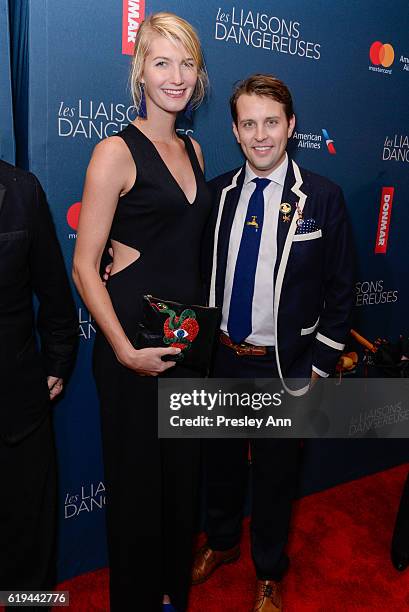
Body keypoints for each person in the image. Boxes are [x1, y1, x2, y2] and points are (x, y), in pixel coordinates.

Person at [192, 75, 355, 611]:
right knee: (218, 467)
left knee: (276, 481)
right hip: (221, 361)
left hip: (284, 368)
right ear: (236, 132)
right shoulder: (217, 195)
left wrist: (323, 368)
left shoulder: (324, 199)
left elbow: (340, 288)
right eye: (248, 124)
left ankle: (268, 570)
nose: (260, 135)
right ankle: (220, 542)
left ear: (290, 126)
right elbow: (192, 272)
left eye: (270, 122)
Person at [72, 12, 211, 612]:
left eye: (186, 63)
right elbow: (84, 265)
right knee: (135, 493)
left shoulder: (196, 147)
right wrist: (124, 351)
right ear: (141, 72)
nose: (175, 76)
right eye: (162, 62)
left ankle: (170, 596)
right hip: (134, 348)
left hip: (189, 345)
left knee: (181, 488)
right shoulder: (114, 151)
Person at [0, 160, 78, 608]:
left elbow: (54, 293)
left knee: (29, 551)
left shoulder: (21, 189)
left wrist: (57, 363)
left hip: (16, 401)